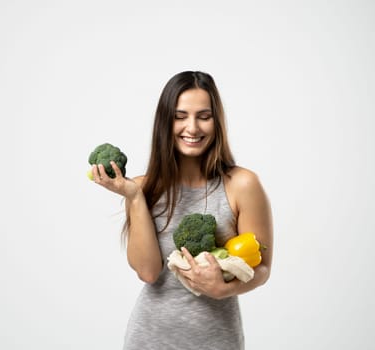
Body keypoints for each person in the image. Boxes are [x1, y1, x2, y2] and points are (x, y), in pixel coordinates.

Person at [90, 71, 273, 350]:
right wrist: (135, 198)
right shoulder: (142, 188)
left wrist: (225, 289)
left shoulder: (242, 185)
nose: (192, 127)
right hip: (149, 339)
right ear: (165, 122)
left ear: (217, 121)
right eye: (180, 116)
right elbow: (149, 273)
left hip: (217, 341)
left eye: (204, 116)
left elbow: (261, 268)